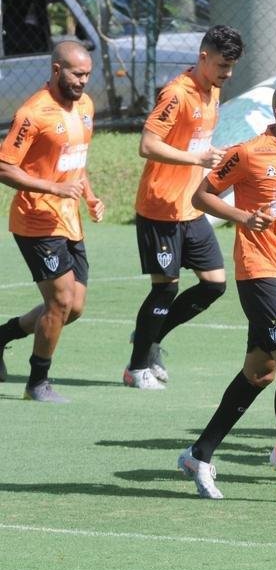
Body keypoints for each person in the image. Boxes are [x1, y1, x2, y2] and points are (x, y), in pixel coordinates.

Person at [177, 81, 276, 503]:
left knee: (259, 371)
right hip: (258, 271)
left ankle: (200, 453)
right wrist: (242, 217)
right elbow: (202, 196)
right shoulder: (247, 153)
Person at [124, 25, 243, 390]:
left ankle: (151, 337)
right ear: (203, 58)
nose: (228, 73)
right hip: (160, 207)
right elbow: (147, 145)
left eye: (232, 66)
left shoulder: (214, 91)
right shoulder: (176, 94)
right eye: (223, 65)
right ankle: (136, 367)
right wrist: (196, 158)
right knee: (165, 289)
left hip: (190, 208)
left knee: (214, 284)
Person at [0, 41, 103, 403]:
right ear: (57, 70)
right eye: (77, 74)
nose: (83, 81)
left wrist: (89, 196)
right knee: (59, 301)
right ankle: (37, 383)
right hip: (35, 220)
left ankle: (2, 336)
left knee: (72, 308)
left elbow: (76, 159)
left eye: (88, 74)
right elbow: (4, 166)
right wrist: (52, 188)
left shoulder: (86, 106)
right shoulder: (33, 112)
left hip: (69, 219)